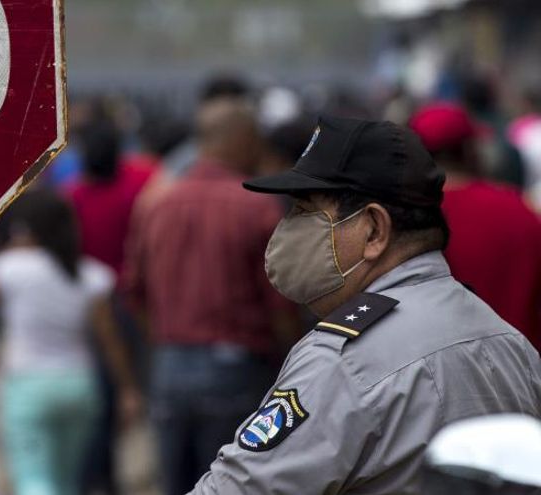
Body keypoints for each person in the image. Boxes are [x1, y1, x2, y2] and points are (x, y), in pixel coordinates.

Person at [191, 115, 541, 494]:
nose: (287, 227)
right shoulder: (510, 344)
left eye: (305, 212)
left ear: (374, 229)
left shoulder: (342, 362)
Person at [123, 99, 300, 495]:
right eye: (254, 140)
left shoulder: (156, 204)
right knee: (235, 484)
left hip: (170, 366)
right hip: (236, 368)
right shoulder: (257, 208)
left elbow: (135, 293)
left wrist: (167, 341)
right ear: (239, 140)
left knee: (177, 483)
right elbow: (279, 302)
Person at [0, 189, 140, 495]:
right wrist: (128, 388)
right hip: (79, 383)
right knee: (67, 481)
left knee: (34, 479)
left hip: (27, 384)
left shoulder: (12, 266)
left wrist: (1, 246)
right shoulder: (90, 275)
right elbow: (110, 340)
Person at [66, 118, 157, 495]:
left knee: (100, 392)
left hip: (87, 305)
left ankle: (100, 474)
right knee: (134, 387)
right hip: (130, 303)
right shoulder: (137, 187)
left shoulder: (72, 196)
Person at [409, 102, 541, 349]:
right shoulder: (518, 208)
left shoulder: (402, 219)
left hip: (437, 376)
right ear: (469, 151)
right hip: (525, 373)